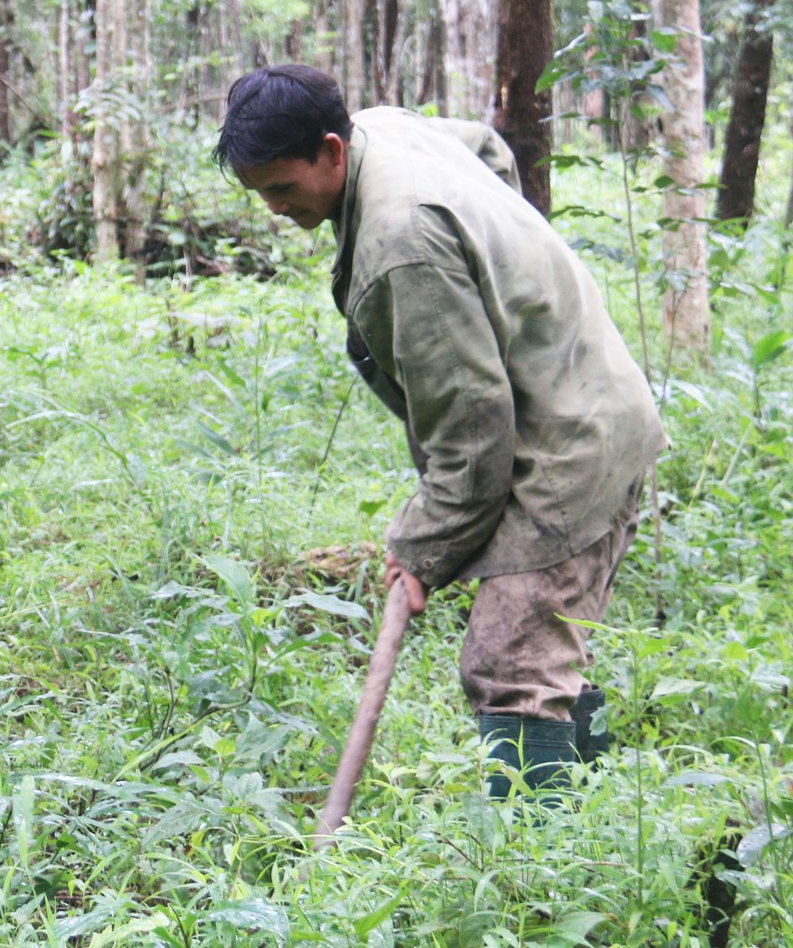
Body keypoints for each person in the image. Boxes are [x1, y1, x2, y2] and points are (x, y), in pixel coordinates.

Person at [215, 65, 665, 797]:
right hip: (588, 399)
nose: (272, 208)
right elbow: (486, 150)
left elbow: (472, 431)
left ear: (332, 150)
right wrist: (498, 277)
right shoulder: (385, 129)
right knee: (545, 653)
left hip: (569, 447)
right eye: (260, 192)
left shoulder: (402, 246)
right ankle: (592, 822)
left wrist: (421, 548)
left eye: (281, 189)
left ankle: (540, 876)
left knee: (511, 665)